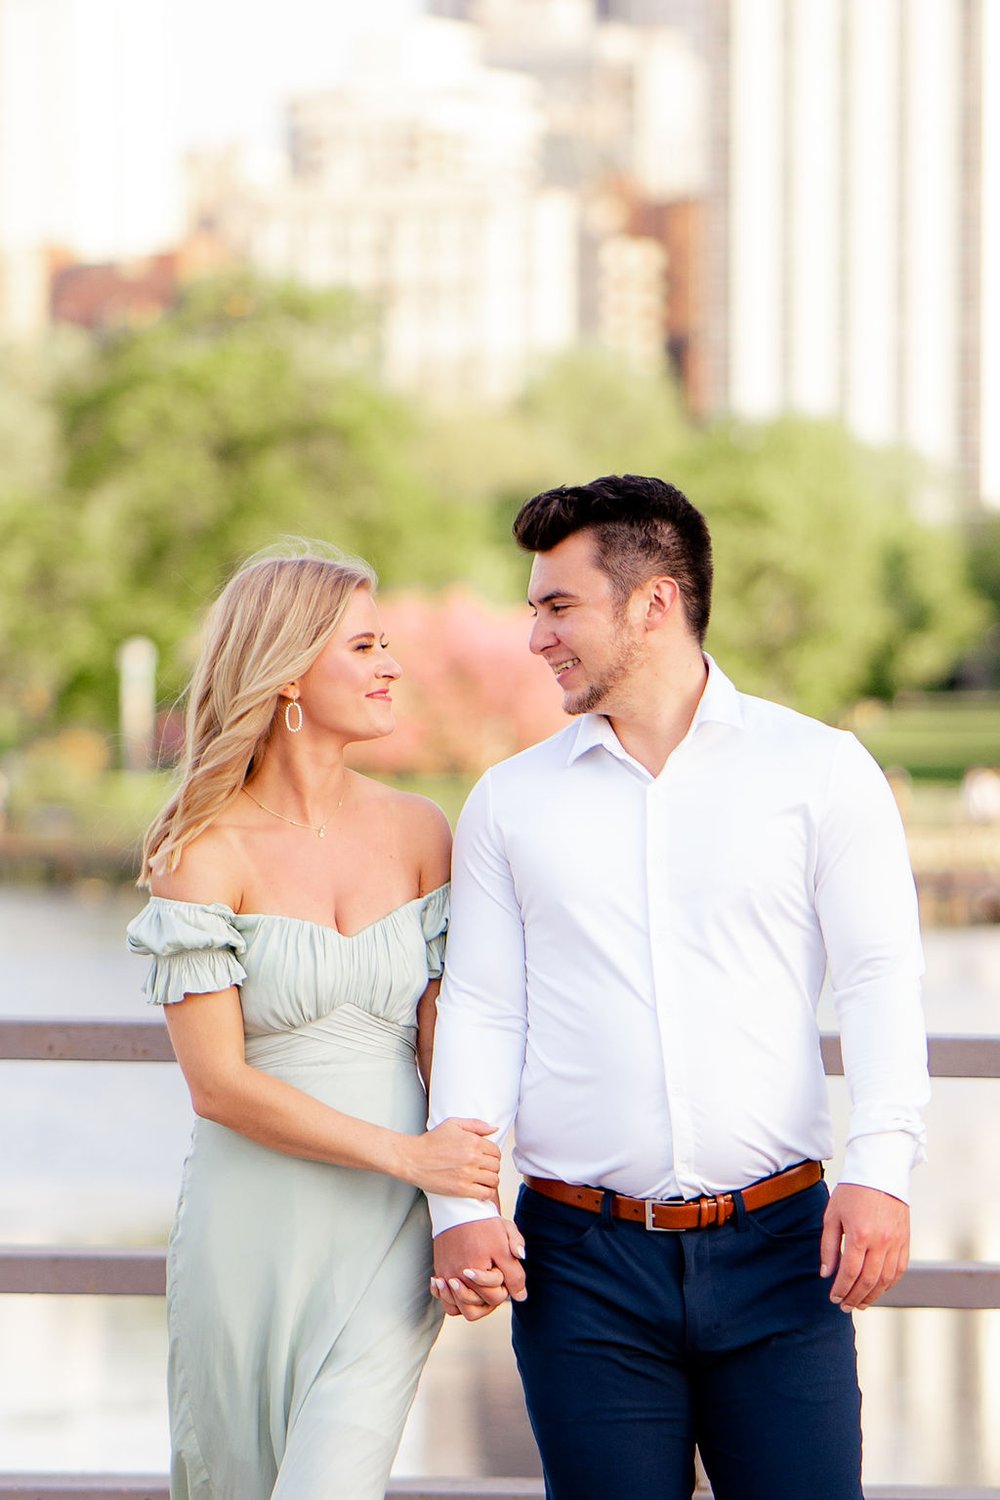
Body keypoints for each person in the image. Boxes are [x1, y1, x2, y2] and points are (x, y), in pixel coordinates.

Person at [426, 476, 929, 1500]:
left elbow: (878, 979)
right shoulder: (508, 804)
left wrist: (881, 1170)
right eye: (532, 610)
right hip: (578, 1266)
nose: (535, 638)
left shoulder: (820, 772)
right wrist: (457, 1206)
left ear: (653, 603)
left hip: (785, 1255)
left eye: (557, 606)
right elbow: (482, 1009)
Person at [126, 543, 516, 1500]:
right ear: (290, 669)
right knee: (236, 1482)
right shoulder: (201, 848)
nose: (393, 667)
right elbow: (216, 1085)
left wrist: (463, 1204)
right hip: (247, 1229)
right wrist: (409, 1157)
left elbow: (446, 1037)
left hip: (386, 1232)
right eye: (366, 646)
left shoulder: (424, 829)